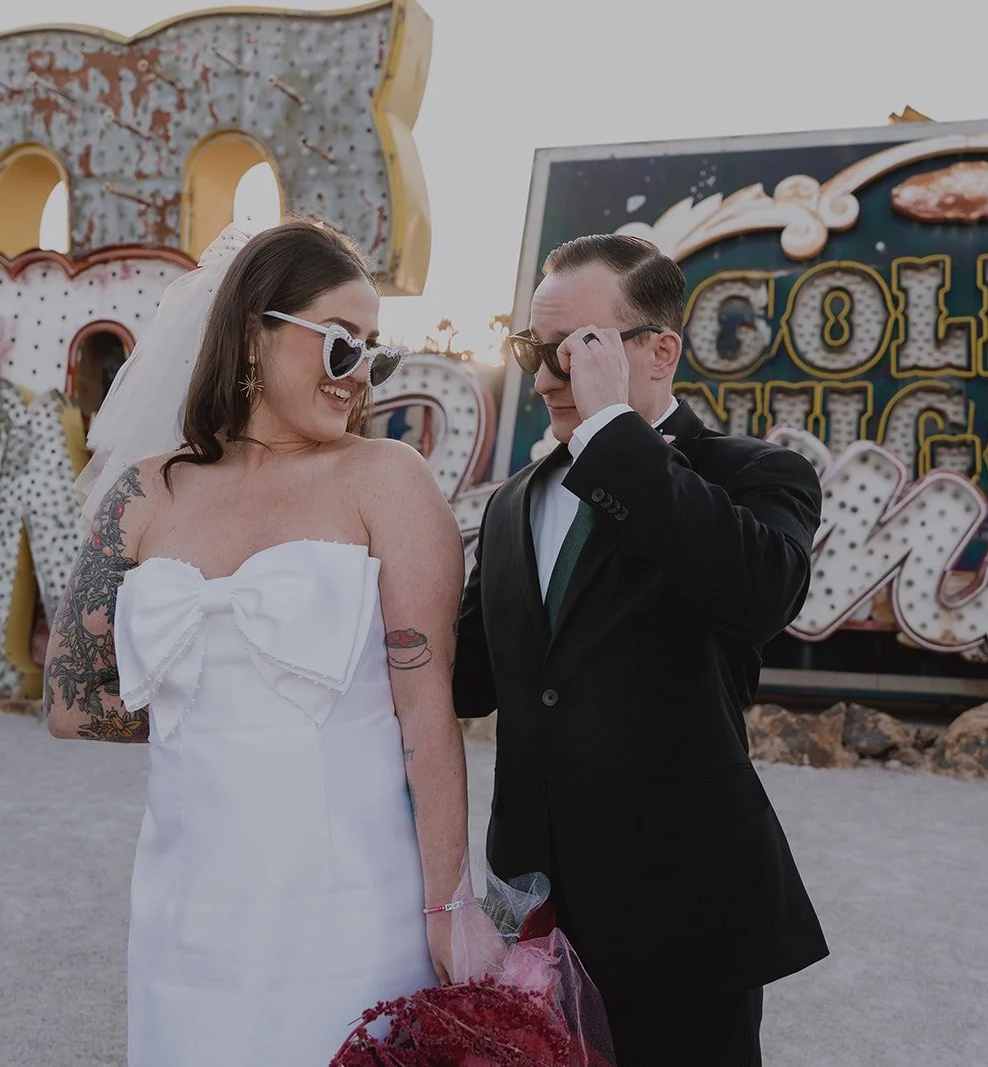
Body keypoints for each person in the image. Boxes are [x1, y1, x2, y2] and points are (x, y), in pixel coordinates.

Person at [44, 220, 471, 1065]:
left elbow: (427, 716)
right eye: (342, 343)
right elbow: (67, 702)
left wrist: (449, 910)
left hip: (355, 900)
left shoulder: (386, 479)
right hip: (189, 908)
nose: (360, 374)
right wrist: (199, 723)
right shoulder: (146, 494)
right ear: (253, 332)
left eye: (375, 353)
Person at [454, 234, 829, 1065]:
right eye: (534, 350)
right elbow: (465, 678)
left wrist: (613, 435)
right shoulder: (513, 503)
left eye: (575, 349)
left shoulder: (756, 474)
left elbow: (758, 593)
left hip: (687, 912)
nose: (546, 376)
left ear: (660, 350)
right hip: (533, 913)